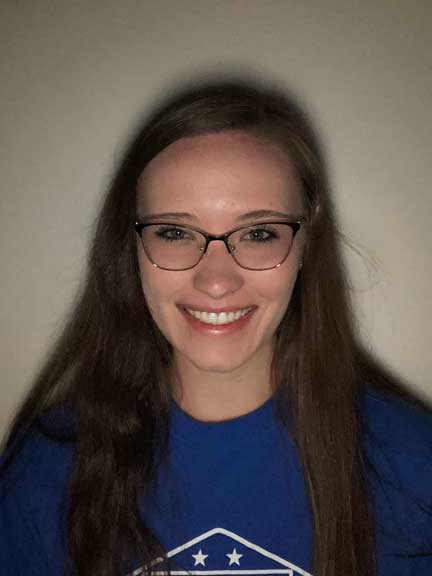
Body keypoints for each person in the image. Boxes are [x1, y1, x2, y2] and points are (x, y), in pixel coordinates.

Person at [1, 79, 431, 576]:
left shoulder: (411, 464)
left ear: (305, 244)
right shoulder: (48, 468)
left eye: (259, 233)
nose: (216, 280)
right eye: (174, 232)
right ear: (131, 246)